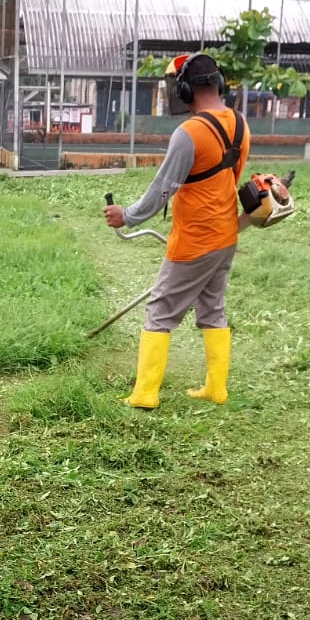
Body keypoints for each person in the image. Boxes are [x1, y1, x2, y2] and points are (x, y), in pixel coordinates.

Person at [105, 53, 251, 409]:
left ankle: (144, 394)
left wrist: (127, 216)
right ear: (219, 84)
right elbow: (228, 177)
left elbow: (162, 190)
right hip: (226, 234)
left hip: (195, 240)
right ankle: (216, 389)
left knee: (160, 310)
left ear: (184, 89)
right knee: (212, 308)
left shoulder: (189, 134)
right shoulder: (239, 123)